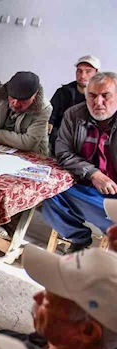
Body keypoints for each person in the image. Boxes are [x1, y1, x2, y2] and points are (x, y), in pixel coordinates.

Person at [42, 72, 117, 251]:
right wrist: (93, 173)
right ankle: (79, 239)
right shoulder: (74, 115)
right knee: (48, 197)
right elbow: (63, 152)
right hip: (82, 186)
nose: (98, 102)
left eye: (105, 95)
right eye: (92, 96)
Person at [0, 71, 51, 155]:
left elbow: (29, 142)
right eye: (12, 97)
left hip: (32, 154)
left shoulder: (44, 108)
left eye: (22, 100)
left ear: (34, 95)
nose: (15, 104)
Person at [48, 55, 101, 153]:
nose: (83, 75)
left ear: (96, 73)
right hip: (60, 141)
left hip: (89, 144)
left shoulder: (101, 98)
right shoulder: (63, 92)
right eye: (79, 71)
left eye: (88, 71)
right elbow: (50, 118)